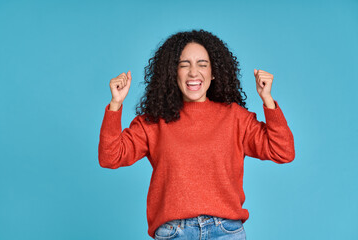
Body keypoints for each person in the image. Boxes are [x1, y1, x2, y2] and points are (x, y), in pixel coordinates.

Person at [98, 29, 295, 240]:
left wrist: (268, 100)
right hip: (174, 233)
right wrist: (116, 104)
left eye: (202, 64)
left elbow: (282, 151)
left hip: (226, 232)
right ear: (173, 73)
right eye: (184, 65)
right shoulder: (154, 122)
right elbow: (110, 157)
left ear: (213, 72)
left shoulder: (235, 118)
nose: (193, 73)